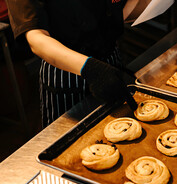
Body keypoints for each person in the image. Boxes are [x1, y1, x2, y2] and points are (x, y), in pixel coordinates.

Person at [4, 0, 148, 127]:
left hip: (110, 62)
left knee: (123, 131)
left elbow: (117, 14)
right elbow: (35, 38)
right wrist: (91, 69)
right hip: (66, 72)